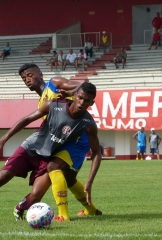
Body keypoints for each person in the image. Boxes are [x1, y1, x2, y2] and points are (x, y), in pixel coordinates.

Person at [0, 82, 102, 223]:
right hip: (29, 149)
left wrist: (89, 182)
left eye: (87, 100)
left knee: (36, 196)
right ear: (75, 95)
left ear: (92, 103)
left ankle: (20, 207)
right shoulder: (55, 105)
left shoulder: (88, 124)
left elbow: (96, 153)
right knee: (1, 178)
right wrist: (3, 139)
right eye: (80, 98)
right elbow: (26, 119)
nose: (82, 103)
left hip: (47, 157)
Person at [13, 63, 102, 221]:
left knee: (53, 166)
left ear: (40, 74)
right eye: (23, 78)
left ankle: (63, 215)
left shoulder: (54, 83)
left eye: (30, 75)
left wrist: (67, 92)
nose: (27, 79)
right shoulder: (43, 102)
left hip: (77, 139)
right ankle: (92, 210)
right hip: (62, 141)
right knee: (68, 179)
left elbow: (83, 86)